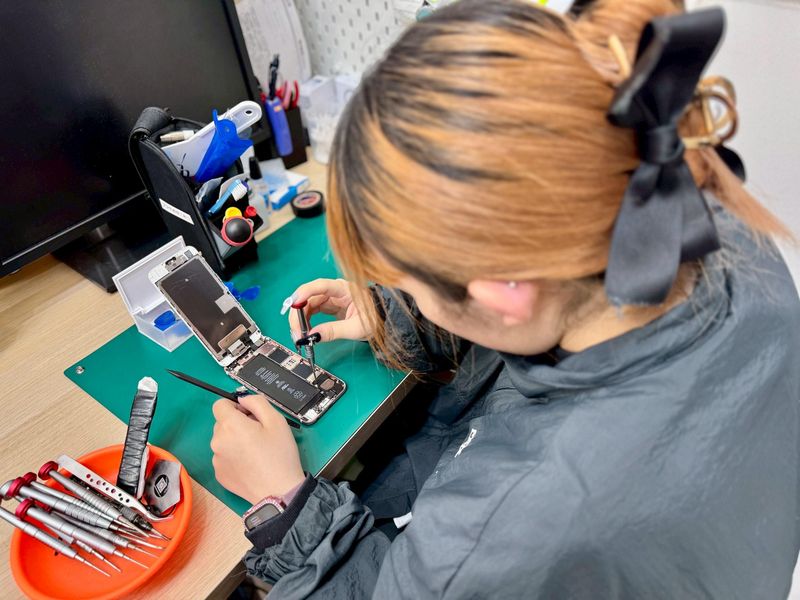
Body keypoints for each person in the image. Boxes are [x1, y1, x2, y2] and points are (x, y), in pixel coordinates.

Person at [209, 0, 800, 597]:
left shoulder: (502, 531)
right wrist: (399, 313)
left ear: (502, 293)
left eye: (409, 284)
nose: (402, 293)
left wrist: (286, 508)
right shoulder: (706, 219)